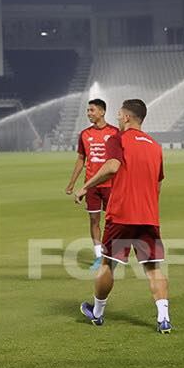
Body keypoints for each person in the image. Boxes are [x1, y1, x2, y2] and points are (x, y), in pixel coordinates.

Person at [76, 99, 170, 333]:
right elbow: (158, 184)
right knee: (153, 268)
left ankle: (97, 313)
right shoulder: (155, 146)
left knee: (108, 265)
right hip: (148, 216)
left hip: (121, 215)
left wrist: (85, 186)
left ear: (127, 117)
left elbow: (112, 167)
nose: (117, 118)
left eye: (119, 115)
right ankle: (163, 318)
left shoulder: (117, 139)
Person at [64, 99, 119, 270]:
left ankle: (112, 254)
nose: (88, 113)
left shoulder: (115, 132)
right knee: (94, 219)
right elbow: (81, 159)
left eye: (92, 110)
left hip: (111, 184)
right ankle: (98, 256)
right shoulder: (85, 134)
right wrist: (72, 183)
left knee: (113, 221)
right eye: (87, 110)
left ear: (102, 112)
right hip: (91, 185)